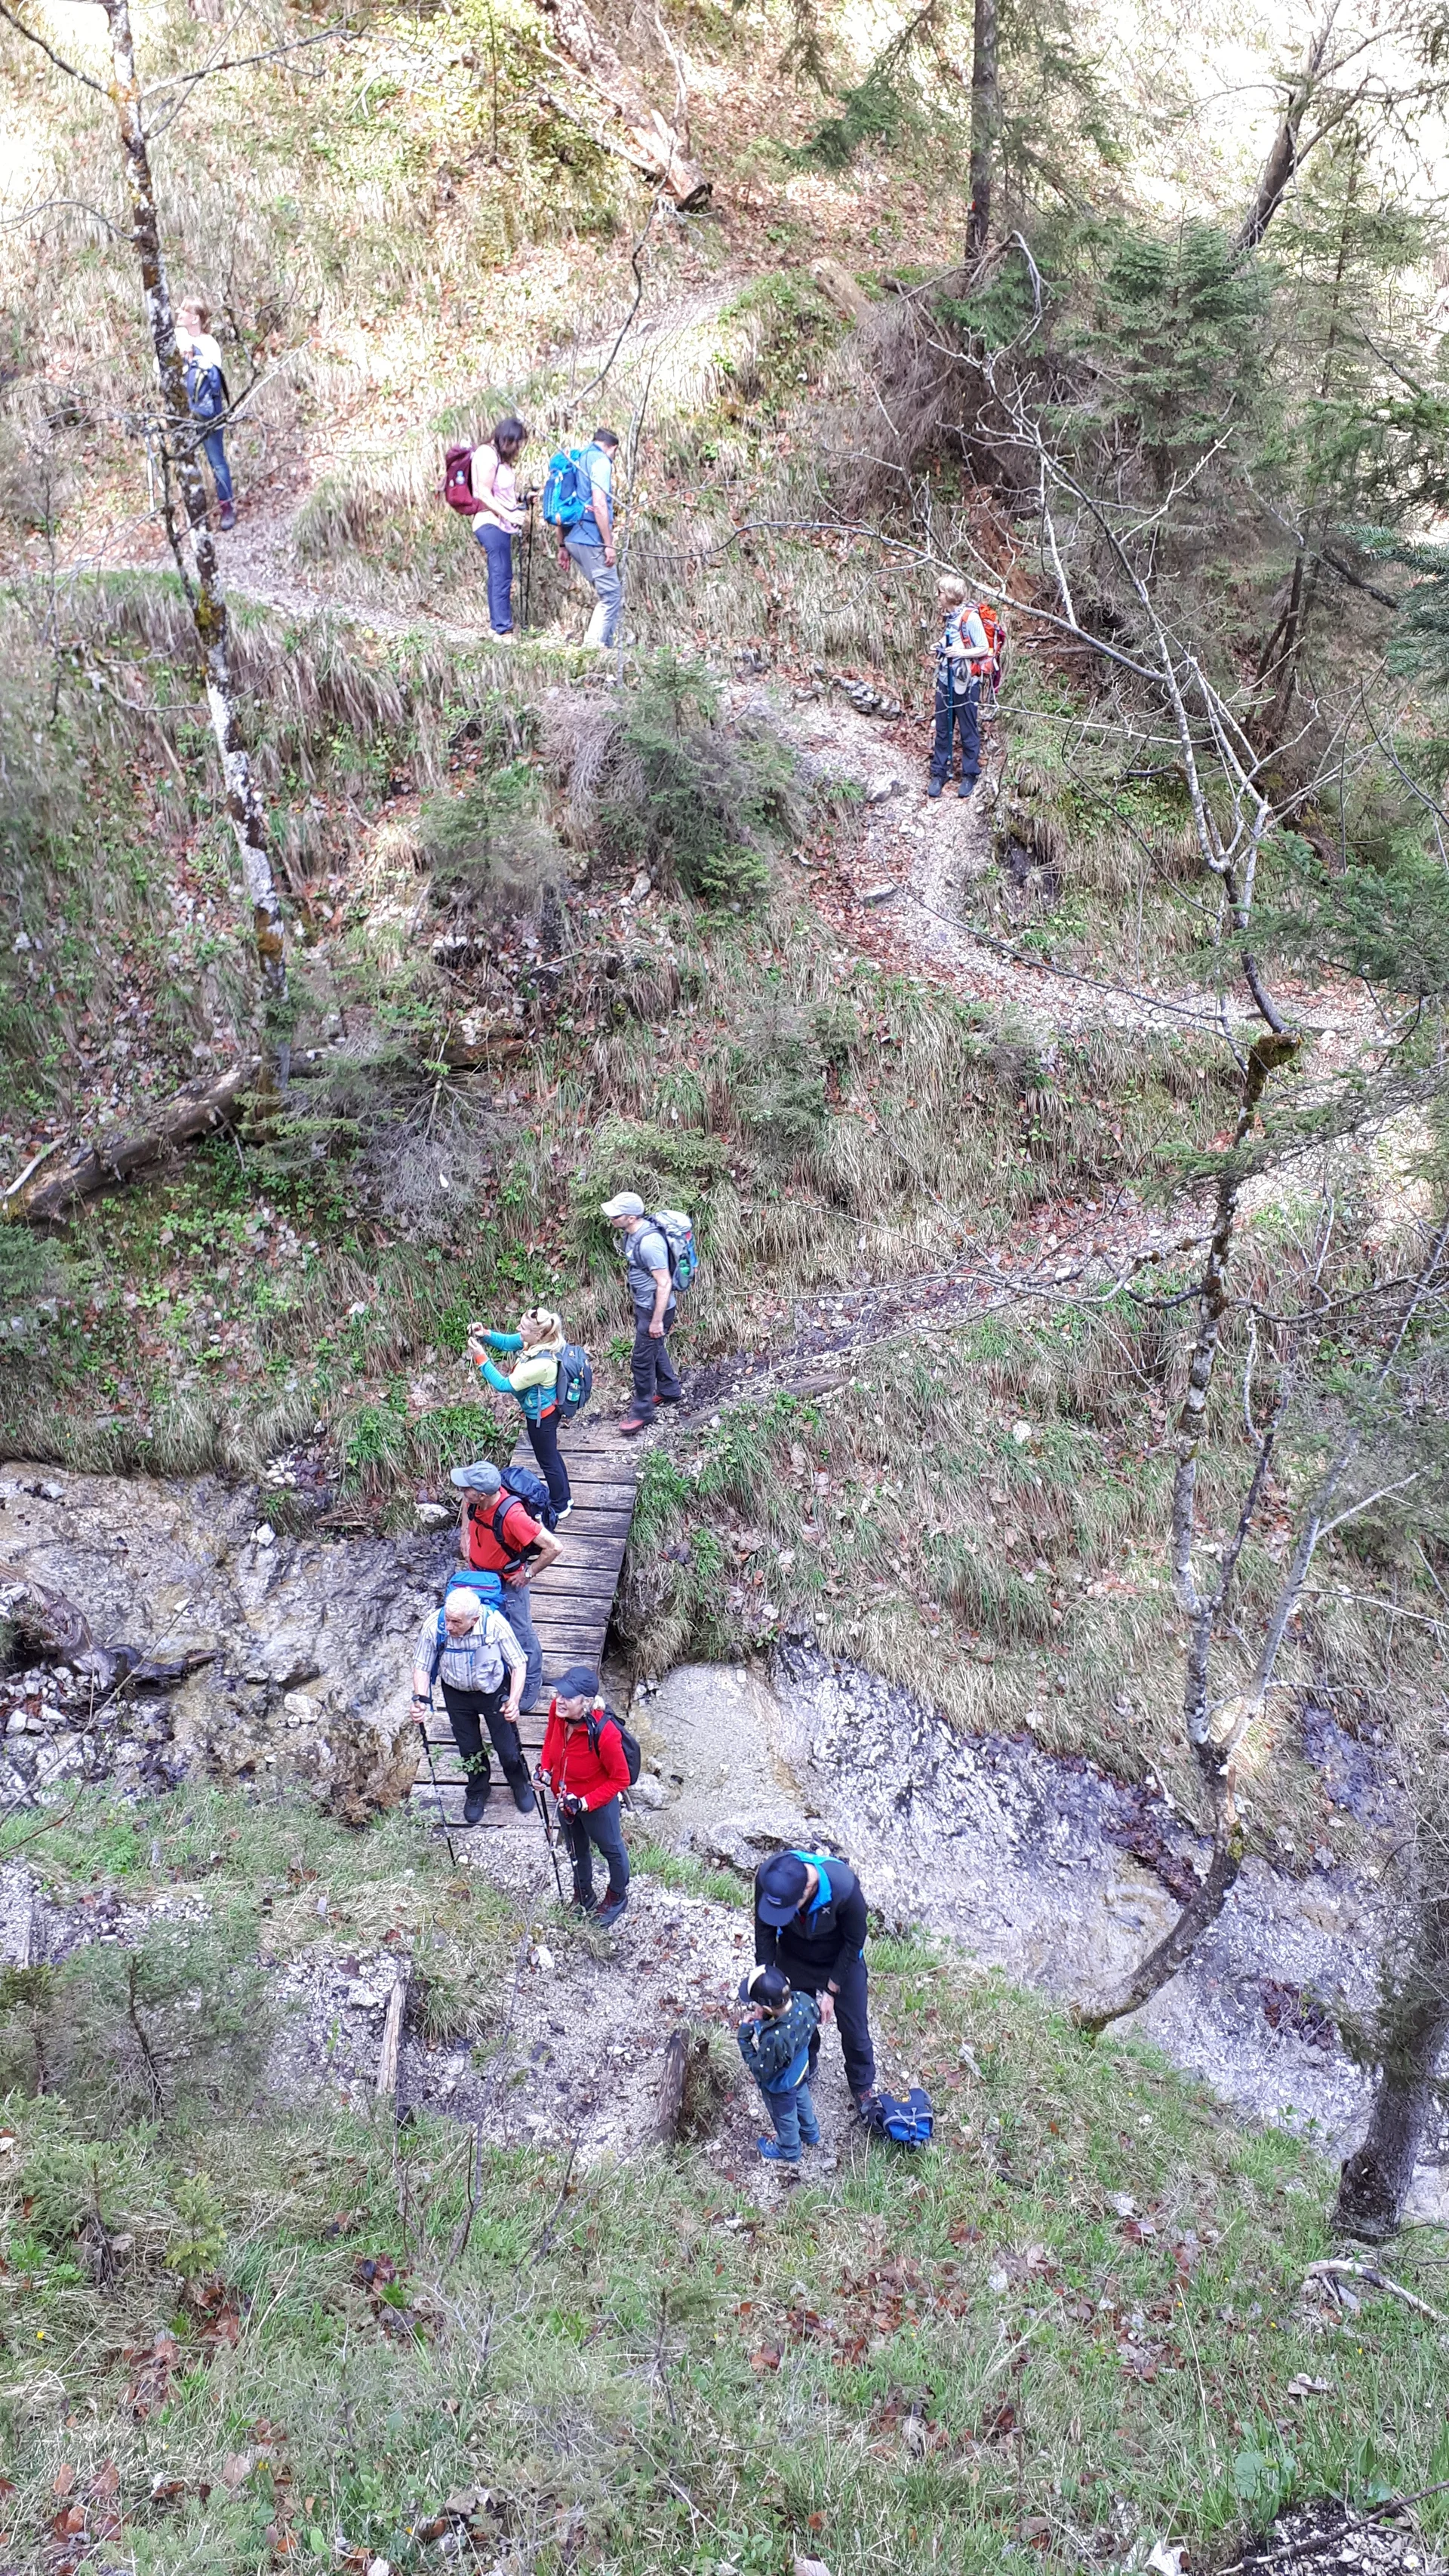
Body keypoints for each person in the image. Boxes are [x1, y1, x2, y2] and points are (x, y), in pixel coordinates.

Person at [754, 1847, 876, 2111]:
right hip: (794, 1953)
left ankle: (862, 2085)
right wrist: (762, 1986)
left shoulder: (844, 1887)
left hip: (841, 1957)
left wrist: (831, 1992)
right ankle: (806, 2063)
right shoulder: (769, 1877)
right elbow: (764, 1930)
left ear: (808, 1888)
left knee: (855, 2029)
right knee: (795, 2018)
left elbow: (855, 1941)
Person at [410, 1577, 534, 1826]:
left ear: (474, 1620)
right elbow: (422, 1665)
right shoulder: (435, 1625)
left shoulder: (494, 1624)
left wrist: (515, 1701)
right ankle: (477, 1790)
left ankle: (520, 1783)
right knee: (468, 1747)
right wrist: (420, 1698)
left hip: (492, 1690)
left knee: (506, 1745)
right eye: (448, 1618)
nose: (449, 1626)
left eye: (456, 1622)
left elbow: (518, 1662)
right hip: (456, 1692)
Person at [448, 1458, 561, 1711]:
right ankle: (502, 1669)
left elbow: (554, 1547)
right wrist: (465, 1534)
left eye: (467, 1488)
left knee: (521, 1634)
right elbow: (467, 1505)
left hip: (508, 1583)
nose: (462, 1492)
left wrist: (528, 1574)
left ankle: (531, 1679)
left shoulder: (514, 1516)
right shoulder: (475, 1499)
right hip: (480, 1579)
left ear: (484, 1494)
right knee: (486, 1625)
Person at [535, 1667, 630, 1928]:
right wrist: (545, 1770)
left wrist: (585, 1802)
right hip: (565, 1799)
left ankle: (617, 1896)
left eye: (568, 1696)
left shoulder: (606, 1733)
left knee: (611, 1848)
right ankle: (584, 1894)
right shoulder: (557, 1712)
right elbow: (549, 1742)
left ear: (586, 1702)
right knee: (575, 1848)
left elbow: (620, 1779)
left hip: (596, 1805)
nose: (560, 1699)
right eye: (559, 1693)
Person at [467, 1310, 573, 1515]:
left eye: (522, 1328)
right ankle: (564, 1497)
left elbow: (503, 1385)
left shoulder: (542, 1364)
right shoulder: (541, 1341)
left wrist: (480, 1357)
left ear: (538, 1334)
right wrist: (485, 1334)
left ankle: (560, 1506)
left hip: (542, 1418)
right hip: (546, 1411)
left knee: (547, 1460)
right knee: (550, 1455)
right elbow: (507, 1342)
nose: (518, 1329)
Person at [600, 1193, 681, 1437]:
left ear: (632, 1217)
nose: (611, 1217)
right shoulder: (631, 1234)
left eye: (616, 1214)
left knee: (641, 1360)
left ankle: (642, 1412)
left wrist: (656, 1321)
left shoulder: (649, 1243)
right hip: (644, 1304)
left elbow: (664, 1283)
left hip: (655, 1309)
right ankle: (669, 1389)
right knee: (654, 1348)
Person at [737, 1963, 822, 2165]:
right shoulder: (805, 2001)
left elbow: (760, 2070)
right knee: (803, 2099)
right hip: (801, 2069)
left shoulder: (774, 2040)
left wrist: (744, 2039)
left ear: (766, 2008)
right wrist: (761, 2022)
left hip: (781, 2085)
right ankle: (811, 2133)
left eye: (756, 2004)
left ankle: (789, 2149)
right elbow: (787, 2025)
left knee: (785, 2119)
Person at [928, 575, 990, 801]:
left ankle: (970, 774)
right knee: (943, 727)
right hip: (946, 678)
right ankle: (940, 772)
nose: (938, 596)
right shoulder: (951, 616)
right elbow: (954, 639)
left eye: (941, 592)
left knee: (967, 728)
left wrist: (960, 653)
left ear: (951, 596)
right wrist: (941, 646)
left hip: (966, 682)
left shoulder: (970, 618)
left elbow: (983, 648)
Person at [559, 426, 621, 650]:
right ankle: (593, 650)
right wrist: (608, 544)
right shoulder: (601, 461)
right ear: (612, 448)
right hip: (590, 537)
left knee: (608, 591)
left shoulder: (577, 459)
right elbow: (599, 504)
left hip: (573, 538)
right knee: (611, 595)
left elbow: (565, 502)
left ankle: (608, 648)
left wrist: (562, 544)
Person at [176, 299, 235, 531]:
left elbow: (213, 375)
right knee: (186, 463)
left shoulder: (209, 343)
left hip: (209, 412)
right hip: (182, 412)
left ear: (195, 318)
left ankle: (227, 508)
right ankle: (195, 516)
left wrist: (195, 356)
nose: (179, 313)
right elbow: (158, 368)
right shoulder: (176, 338)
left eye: (185, 311)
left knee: (216, 461)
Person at [469, 416, 529, 639]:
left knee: (500, 574)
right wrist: (509, 514)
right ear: (507, 439)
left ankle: (497, 626)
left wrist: (522, 498)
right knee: (502, 573)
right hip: (489, 522)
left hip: (499, 522)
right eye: (516, 443)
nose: (518, 448)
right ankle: (503, 630)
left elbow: (501, 493)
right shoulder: (487, 454)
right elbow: (483, 493)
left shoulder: (498, 458)